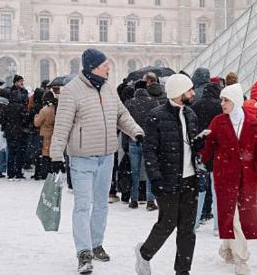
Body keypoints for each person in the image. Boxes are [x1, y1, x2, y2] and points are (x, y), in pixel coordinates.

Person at [50, 48, 144, 274]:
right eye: (104, 65)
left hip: (106, 156)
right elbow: (62, 124)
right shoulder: (72, 91)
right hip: (82, 158)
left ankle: (96, 243)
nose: (108, 68)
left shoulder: (110, 90)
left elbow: (122, 115)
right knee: (83, 205)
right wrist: (55, 155)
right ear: (93, 67)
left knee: (101, 204)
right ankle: (83, 252)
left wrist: (136, 132)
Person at [135, 73, 205, 275]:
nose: (193, 93)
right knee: (167, 223)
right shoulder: (156, 115)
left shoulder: (191, 115)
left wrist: (199, 144)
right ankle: (145, 253)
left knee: (187, 229)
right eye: (189, 89)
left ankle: (183, 270)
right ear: (177, 93)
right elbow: (150, 150)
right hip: (167, 179)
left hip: (190, 179)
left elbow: (191, 146)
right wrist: (155, 178)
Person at [199, 83, 257, 275]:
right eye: (222, 99)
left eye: (226, 100)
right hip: (224, 176)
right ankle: (241, 259)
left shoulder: (252, 123)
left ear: (236, 101)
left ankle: (226, 248)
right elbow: (208, 148)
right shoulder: (218, 121)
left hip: (247, 177)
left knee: (235, 216)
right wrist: (200, 151)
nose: (222, 103)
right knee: (233, 216)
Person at [190, 79, 224, 227]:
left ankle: (196, 220)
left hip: (201, 150)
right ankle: (217, 224)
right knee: (217, 189)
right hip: (216, 149)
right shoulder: (219, 106)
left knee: (200, 188)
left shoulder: (195, 105)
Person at [125, 80, 162, 210]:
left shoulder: (129, 103)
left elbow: (125, 123)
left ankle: (133, 199)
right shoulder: (154, 102)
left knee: (134, 172)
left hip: (133, 140)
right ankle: (150, 201)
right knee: (149, 171)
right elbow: (158, 123)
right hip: (149, 141)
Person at [3, 88, 28, 180]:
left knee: (10, 152)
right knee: (19, 153)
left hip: (9, 132)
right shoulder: (21, 107)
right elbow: (24, 120)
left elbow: (4, 120)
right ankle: (18, 171)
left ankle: (10, 172)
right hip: (19, 132)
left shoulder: (7, 107)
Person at [33, 91, 57, 180]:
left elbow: (37, 123)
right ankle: (51, 171)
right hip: (52, 133)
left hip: (44, 134)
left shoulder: (44, 110)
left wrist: (36, 116)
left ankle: (44, 173)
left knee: (44, 155)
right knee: (50, 154)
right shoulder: (55, 109)